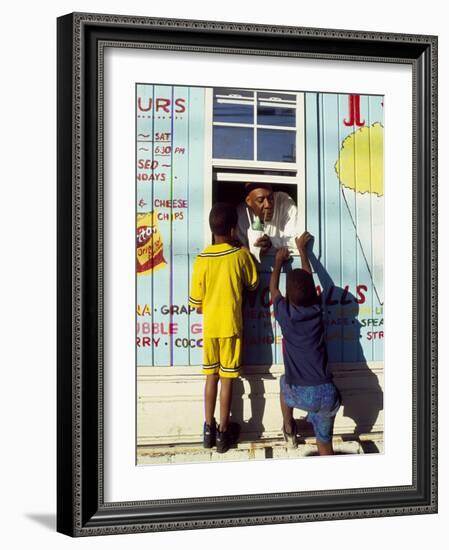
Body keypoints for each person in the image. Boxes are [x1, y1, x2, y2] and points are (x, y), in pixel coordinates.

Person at [189, 203, 259, 453]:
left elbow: (196, 304)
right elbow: (252, 284)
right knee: (228, 379)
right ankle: (223, 433)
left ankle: (208, 428)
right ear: (233, 230)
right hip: (231, 327)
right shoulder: (239, 256)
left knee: (211, 376)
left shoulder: (201, 259)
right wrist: (245, 248)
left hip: (210, 329)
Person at [269, 231, 341, 456]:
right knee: (325, 444)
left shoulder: (285, 314)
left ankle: (289, 426)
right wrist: (302, 250)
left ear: (289, 297)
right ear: (313, 292)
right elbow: (308, 277)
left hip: (300, 394)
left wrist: (278, 263)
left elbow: (273, 291)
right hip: (327, 393)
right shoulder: (318, 310)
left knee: (283, 382)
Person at [236, 182, 300, 257]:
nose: (268, 205)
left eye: (271, 198)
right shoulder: (241, 214)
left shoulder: (284, 202)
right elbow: (241, 251)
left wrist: (272, 243)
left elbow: (296, 241)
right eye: (260, 200)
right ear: (249, 201)